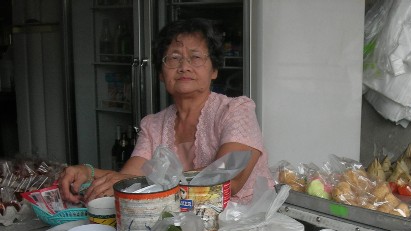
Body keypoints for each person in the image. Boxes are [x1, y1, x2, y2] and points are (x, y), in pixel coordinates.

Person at [59, 18, 272, 204]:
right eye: (174, 58)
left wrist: (141, 182)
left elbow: (227, 179)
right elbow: (129, 178)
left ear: (214, 70)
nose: (184, 66)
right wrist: (89, 172)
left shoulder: (236, 110)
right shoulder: (153, 125)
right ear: (161, 73)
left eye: (196, 57)